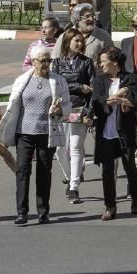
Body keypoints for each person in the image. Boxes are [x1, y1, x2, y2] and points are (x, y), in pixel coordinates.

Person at [0, 46, 71, 225]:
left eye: (48, 61)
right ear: (33, 62)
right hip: (24, 133)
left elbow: (67, 105)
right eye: (42, 61)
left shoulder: (58, 81)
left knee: (44, 172)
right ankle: (22, 212)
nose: (46, 64)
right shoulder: (22, 80)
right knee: (22, 171)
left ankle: (43, 212)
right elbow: (13, 106)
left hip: (46, 132)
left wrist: (61, 109)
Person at [92, 47, 137, 220]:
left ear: (114, 61)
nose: (101, 64)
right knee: (107, 171)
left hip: (125, 131)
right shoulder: (99, 80)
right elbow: (97, 103)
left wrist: (123, 99)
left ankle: (135, 196)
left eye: (103, 61)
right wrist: (112, 100)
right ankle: (110, 206)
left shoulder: (130, 79)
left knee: (130, 167)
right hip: (106, 133)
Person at [51, 28, 95, 204]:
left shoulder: (87, 63)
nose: (79, 44)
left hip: (79, 109)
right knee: (60, 149)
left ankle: (74, 187)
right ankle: (70, 178)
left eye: (81, 41)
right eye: (76, 40)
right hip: (60, 111)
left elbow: (93, 90)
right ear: (67, 41)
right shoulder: (57, 63)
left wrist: (89, 113)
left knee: (76, 148)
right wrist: (78, 86)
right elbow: (55, 87)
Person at [54, 3, 113, 68]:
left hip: (95, 76)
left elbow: (112, 59)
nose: (91, 19)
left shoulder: (103, 36)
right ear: (78, 19)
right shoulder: (65, 36)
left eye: (93, 16)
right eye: (87, 16)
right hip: (68, 76)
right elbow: (55, 59)